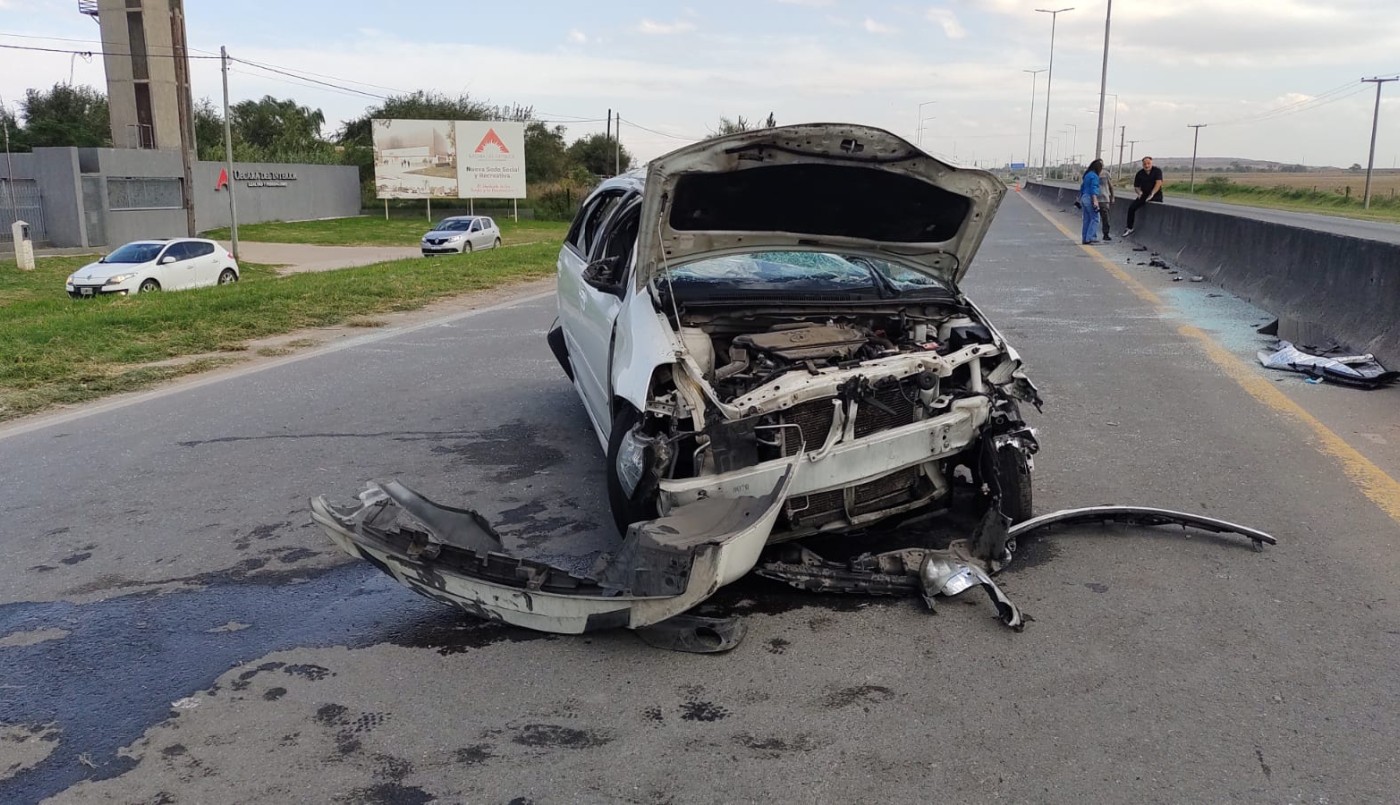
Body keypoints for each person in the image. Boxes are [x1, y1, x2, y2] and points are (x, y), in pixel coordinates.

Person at [1123, 156, 1164, 236]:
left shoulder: (1157, 171)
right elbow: (1136, 187)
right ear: (1142, 165)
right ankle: (1129, 228)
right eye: (1145, 164)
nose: (1147, 166)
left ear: (1151, 163)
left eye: (1148, 164)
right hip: (1144, 194)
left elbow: (1158, 183)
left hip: (1156, 194)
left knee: (1158, 210)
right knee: (1132, 208)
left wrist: (1152, 194)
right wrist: (1139, 193)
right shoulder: (1139, 173)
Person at [1078, 159, 1103, 244]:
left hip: (1084, 197)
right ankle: (1090, 238)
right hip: (1090, 198)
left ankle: (1085, 238)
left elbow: (1082, 187)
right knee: (1095, 218)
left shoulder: (1087, 175)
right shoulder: (1094, 176)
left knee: (1087, 219)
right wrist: (1095, 201)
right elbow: (1094, 188)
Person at [1098, 169, 1116, 241]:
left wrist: (1112, 196)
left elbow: (1111, 186)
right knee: (1093, 219)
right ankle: (1091, 235)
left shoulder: (1105, 174)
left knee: (1105, 218)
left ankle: (1106, 234)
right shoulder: (1091, 174)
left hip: (1104, 199)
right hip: (1094, 199)